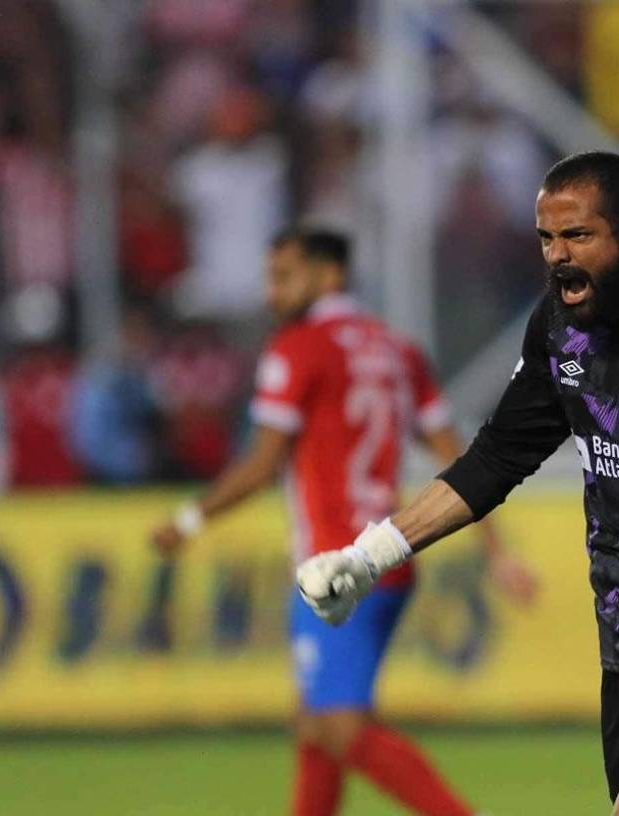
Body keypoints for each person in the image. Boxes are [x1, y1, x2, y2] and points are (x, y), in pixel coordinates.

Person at [296, 152, 619, 815]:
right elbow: (495, 460)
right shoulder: (559, 326)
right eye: (547, 238)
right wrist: (369, 557)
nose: (557, 256)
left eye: (578, 236)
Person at [150, 228, 535, 816]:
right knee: (317, 724)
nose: (271, 292)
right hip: (389, 556)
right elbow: (462, 455)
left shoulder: (298, 347)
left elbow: (262, 463)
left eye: (284, 276)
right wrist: (496, 549)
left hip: (330, 565)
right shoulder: (398, 350)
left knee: (336, 725)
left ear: (329, 276)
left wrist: (189, 519)